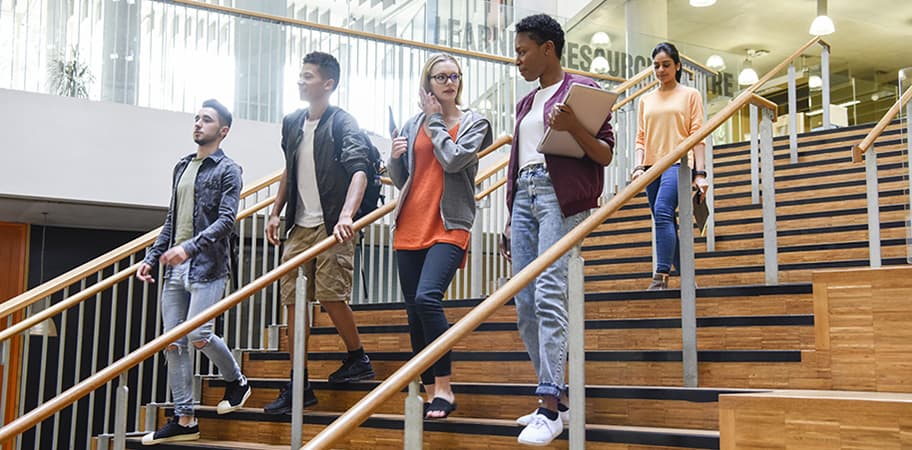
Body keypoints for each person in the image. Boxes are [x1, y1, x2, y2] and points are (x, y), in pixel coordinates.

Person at [501, 14, 615, 446]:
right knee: (524, 300)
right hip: (526, 197)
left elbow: (603, 155)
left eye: (523, 50)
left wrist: (573, 128)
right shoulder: (526, 103)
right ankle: (556, 397)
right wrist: (510, 215)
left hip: (559, 196)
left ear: (548, 48)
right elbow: (517, 164)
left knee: (549, 291)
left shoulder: (583, 91)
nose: (518, 60)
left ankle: (548, 405)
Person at [263, 51, 375, 415]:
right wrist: (275, 211)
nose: (300, 81)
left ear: (327, 84)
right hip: (300, 225)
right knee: (293, 302)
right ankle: (299, 382)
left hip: (332, 224)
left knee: (330, 296)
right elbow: (288, 170)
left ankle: (358, 357)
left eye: (308, 76)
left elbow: (360, 171)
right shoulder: (293, 122)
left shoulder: (343, 122)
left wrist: (346, 216)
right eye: (300, 75)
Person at [137, 99, 249, 445]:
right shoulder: (182, 167)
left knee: (199, 334)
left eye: (207, 120)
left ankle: (237, 381)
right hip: (175, 268)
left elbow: (226, 221)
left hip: (207, 265)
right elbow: (172, 220)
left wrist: (189, 247)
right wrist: (152, 257)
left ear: (223, 130)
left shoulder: (229, 170)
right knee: (173, 343)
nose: (198, 124)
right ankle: (184, 419)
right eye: (196, 119)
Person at [387, 53, 493, 420]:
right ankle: (429, 390)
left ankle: (445, 387)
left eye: (455, 76)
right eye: (441, 77)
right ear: (427, 83)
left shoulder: (474, 122)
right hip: (410, 223)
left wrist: (434, 122)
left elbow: (452, 160)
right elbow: (405, 181)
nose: (450, 82)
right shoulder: (412, 122)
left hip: (450, 223)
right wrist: (394, 159)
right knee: (414, 312)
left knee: (428, 299)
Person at [631, 42, 709, 290]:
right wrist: (637, 167)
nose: (661, 70)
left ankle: (660, 275)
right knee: (664, 221)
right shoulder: (645, 100)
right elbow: (641, 136)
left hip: (678, 163)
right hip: (651, 167)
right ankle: (688, 278)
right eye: (656, 66)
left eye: (666, 65)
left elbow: (698, 134)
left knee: (664, 210)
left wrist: (700, 173)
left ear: (677, 66)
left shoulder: (690, 95)